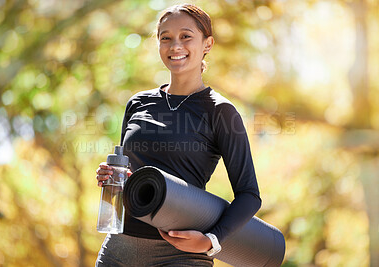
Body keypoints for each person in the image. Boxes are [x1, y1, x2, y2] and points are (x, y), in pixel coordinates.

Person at [95, 3, 261, 266]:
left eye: (186, 36)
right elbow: (129, 173)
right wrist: (111, 175)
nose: (175, 46)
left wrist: (211, 240)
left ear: (207, 44)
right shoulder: (138, 103)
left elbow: (249, 194)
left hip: (181, 255)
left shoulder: (221, 112)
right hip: (119, 249)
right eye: (166, 38)